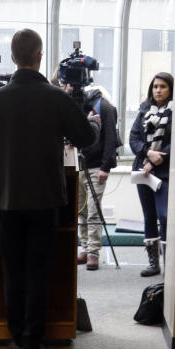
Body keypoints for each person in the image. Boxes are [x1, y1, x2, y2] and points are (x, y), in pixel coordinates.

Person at [0, 27, 98, 349]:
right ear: (40, 56)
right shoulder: (57, 97)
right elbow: (85, 137)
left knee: (13, 270)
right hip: (46, 200)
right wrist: (96, 122)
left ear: (13, 59)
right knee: (39, 270)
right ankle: (34, 341)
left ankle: (14, 336)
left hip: (7, 200)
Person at [129, 72, 174, 278]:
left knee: (164, 216)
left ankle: (168, 263)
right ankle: (153, 264)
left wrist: (157, 158)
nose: (158, 90)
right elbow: (134, 138)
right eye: (155, 86)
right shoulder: (143, 111)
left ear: (170, 89)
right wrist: (147, 153)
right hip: (143, 172)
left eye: (163, 86)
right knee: (149, 217)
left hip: (163, 172)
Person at [72, 83, 118, 271]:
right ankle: (84, 248)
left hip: (96, 167)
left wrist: (106, 166)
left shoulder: (104, 107)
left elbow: (111, 139)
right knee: (81, 210)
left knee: (93, 211)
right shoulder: (80, 106)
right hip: (80, 165)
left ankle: (93, 253)